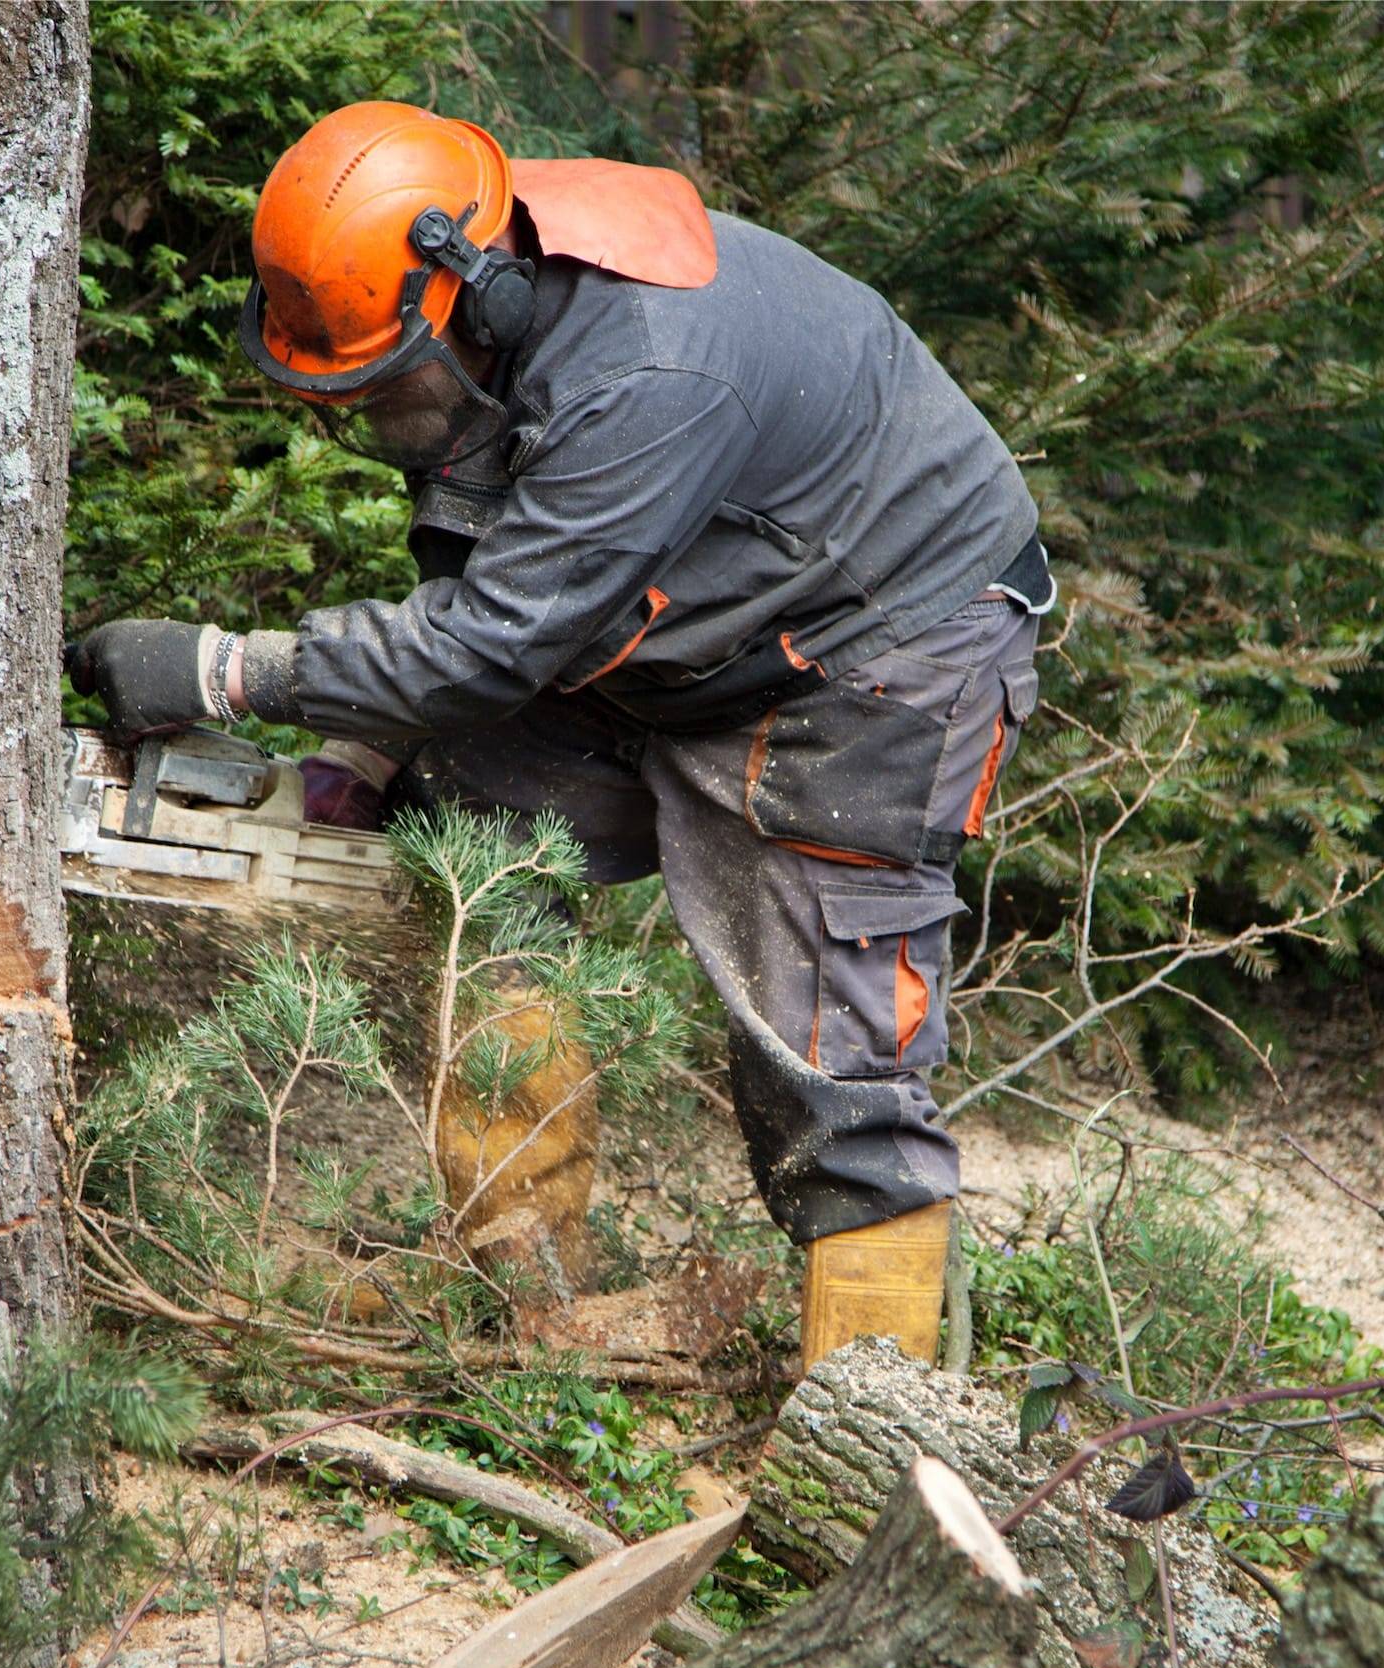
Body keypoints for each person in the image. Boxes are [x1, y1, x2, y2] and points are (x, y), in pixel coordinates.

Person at [63, 101, 1049, 1368]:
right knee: (481, 840)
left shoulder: (647, 375)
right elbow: (481, 577)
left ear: (481, 302)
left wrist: (227, 670)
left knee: (829, 1048)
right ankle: (524, 1295)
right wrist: (369, 750)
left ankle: (873, 1419)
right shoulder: (466, 269)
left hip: (877, 649)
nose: (369, 416)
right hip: (689, 609)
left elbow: (492, 640)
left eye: (383, 381)